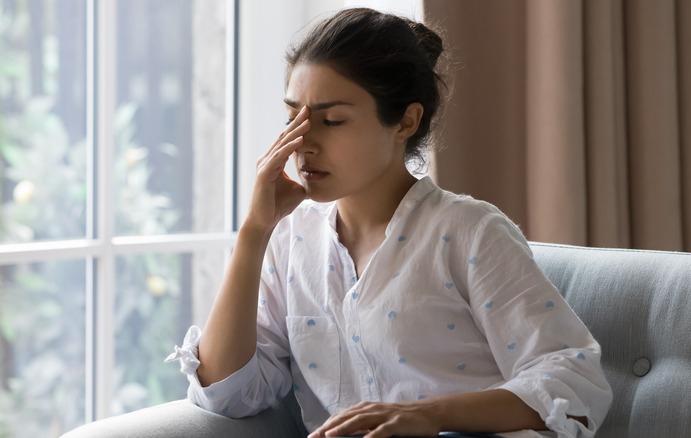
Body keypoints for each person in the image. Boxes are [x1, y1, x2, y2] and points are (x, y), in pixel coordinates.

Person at [166, 7, 612, 438]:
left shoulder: (469, 232)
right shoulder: (290, 241)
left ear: (405, 121)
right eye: (292, 118)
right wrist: (253, 233)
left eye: (332, 120)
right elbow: (227, 393)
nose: (302, 142)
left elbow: (572, 381)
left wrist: (428, 415)